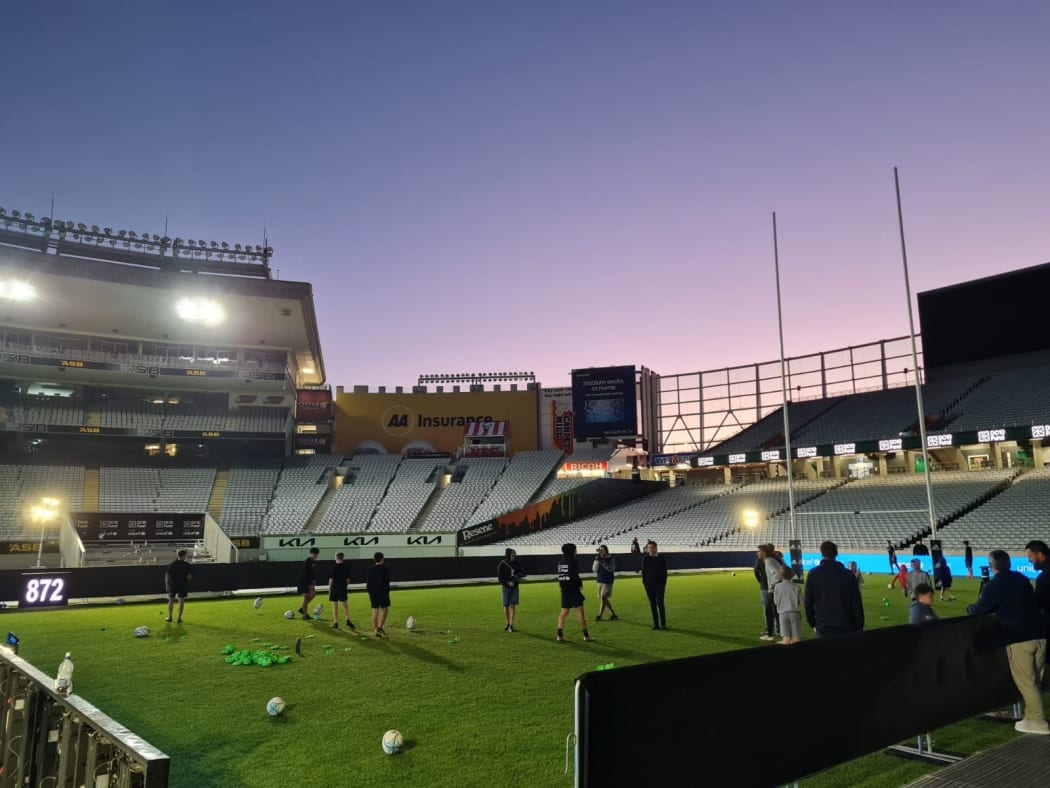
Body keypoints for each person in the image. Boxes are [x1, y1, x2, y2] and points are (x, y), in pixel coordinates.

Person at [967, 550, 1048, 735]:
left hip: (1019, 638)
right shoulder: (1022, 580)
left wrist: (970, 607)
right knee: (1035, 680)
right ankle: (1031, 717)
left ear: (991, 565)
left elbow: (979, 610)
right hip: (1039, 635)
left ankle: (1037, 721)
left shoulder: (995, 585)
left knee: (1027, 682)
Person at [803, 540, 864, 638]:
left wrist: (813, 623)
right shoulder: (848, 574)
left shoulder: (813, 574)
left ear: (822, 553)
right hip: (846, 625)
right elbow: (856, 603)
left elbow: (808, 602)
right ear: (836, 553)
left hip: (823, 626)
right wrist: (859, 626)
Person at [556, 543, 591, 642]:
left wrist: (562, 586)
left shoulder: (560, 561)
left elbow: (561, 575)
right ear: (571, 551)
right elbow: (575, 575)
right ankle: (586, 635)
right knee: (580, 610)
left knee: (564, 611)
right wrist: (580, 584)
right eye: (575, 550)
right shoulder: (573, 561)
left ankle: (559, 635)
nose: (576, 551)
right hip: (573, 588)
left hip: (564, 588)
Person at [641, 540, 668, 630]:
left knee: (660, 603)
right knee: (652, 605)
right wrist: (645, 583)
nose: (651, 549)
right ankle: (656, 624)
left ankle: (663, 624)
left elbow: (665, 572)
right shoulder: (646, 558)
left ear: (656, 548)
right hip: (649, 585)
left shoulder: (661, 558)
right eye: (649, 548)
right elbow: (643, 572)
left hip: (660, 585)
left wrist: (664, 583)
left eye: (652, 547)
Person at [759, 544, 784, 641]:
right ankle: (780, 633)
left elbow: (778, 575)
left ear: (764, 552)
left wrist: (773, 585)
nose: (757, 554)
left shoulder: (769, 561)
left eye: (759, 551)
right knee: (776, 613)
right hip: (776, 590)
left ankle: (770, 634)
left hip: (773, 591)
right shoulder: (771, 560)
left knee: (769, 612)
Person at [773, 566, 803, 644]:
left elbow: (775, 601)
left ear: (780, 575)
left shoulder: (777, 587)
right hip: (795, 613)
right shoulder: (797, 587)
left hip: (782, 613)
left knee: (786, 638)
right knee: (796, 638)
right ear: (792, 575)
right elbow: (801, 603)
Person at [1026, 540, 1050, 629]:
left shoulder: (1044, 576)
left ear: (1040, 554)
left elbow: (1037, 604)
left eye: (1030, 556)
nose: (1029, 560)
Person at [367, 552, 391, 638]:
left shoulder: (371, 568)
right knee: (385, 609)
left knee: (375, 610)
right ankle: (380, 627)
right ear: (382, 559)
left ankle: (376, 630)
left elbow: (368, 581)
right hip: (382, 592)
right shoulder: (385, 569)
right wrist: (387, 591)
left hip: (373, 592)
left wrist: (369, 591)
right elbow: (386, 582)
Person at [328, 552, 355, 630]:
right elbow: (348, 580)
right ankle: (348, 620)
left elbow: (331, 580)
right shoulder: (346, 567)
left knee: (335, 607)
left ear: (336, 558)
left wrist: (329, 589)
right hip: (342, 588)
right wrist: (344, 586)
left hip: (335, 588)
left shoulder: (334, 568)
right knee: (345, 606)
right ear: (343, 558)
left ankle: (336, 622)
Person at [498, 548, 522, 632]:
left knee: (512, 605)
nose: (514, 557)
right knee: (506, 605)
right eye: (512, 555)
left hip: (514, 587)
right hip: (506, 587)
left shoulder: (517, 563)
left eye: (515, 555)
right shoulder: (502, 564)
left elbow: (521, 573)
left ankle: (511, 625)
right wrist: (508, 583)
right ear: (508, 555)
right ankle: (507, 623)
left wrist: (516, 577)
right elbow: (500, 578)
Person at [165, 549, 192, 623]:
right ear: (184, 556)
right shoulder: (187, 565)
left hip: (173, 585)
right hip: (182, 585)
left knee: (171, 600)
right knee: (181, 601)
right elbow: (189, 576)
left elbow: (167, 574)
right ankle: (179, 618)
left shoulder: (173, 564)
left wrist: (167, 584)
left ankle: (170, 617)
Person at [754, 550, 776, 640]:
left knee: (767, 609)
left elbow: (755, 570)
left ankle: (769, 631)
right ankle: (778, 629)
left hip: (765, 587)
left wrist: (760, 580)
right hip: (775, 586)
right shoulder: (775, 559)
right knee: (776, 608)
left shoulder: (761, 560)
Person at [593, 545, 619, 621]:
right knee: (603, 598)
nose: (601, 551)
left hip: (608, 579)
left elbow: (611, 569)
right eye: (600, 550)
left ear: (606, 550)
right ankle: (613, 614)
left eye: (603, 550)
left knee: (603, 596)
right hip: (600, 579)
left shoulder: (611, 559)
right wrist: (597, 560)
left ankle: (599, 615)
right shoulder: (598, 558)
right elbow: (594, 570)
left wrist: (603, 562)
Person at [297, 547, 320, 621]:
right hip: (304, 582)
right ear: (311, 554)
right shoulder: (308, 561)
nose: (316, 556)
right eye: (314, 554)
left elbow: (311, 573)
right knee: (306, 597)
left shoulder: (313, 562)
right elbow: (306, 573)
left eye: (316, 554)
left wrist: (313, 581)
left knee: (313, 594)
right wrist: (310, 584)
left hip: (309, 581)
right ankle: (305, 615)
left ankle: (302, 608)